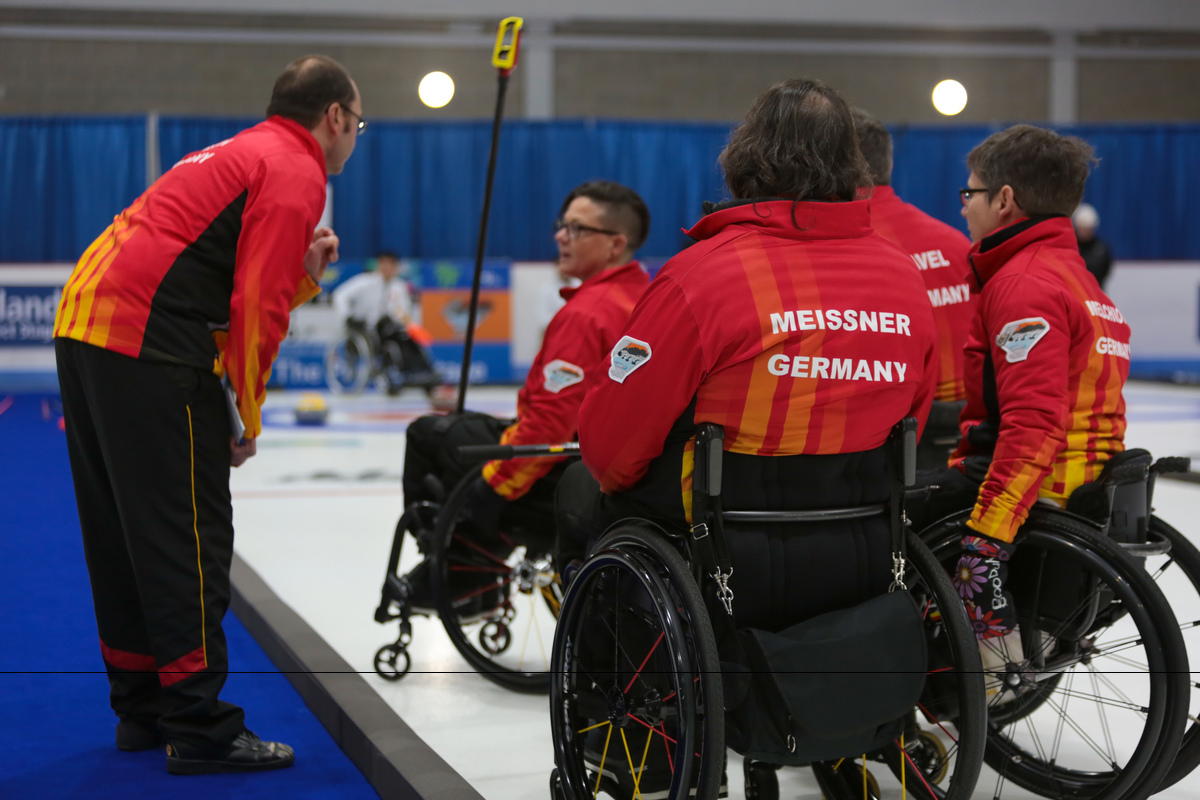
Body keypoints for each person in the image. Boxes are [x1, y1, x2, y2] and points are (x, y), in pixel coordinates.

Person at [53, 55, 363, 774]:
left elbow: (223, 278)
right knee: (187, 537)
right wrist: (244, 414)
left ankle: (141, 708)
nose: (355, 135)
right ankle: (200, 726)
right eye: (359, 122)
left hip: (87, 326)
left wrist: (303, 277)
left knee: (121, 531)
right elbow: (255, 307)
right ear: (336, 117)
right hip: (150, 341)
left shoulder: (236, 151)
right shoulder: (296, 167)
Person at [556, 78, 938, 625]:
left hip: (724, 555)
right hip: (863, 540)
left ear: (743, 160)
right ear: (854, 168)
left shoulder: (701, 274)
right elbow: (912, 416)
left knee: (578, 484)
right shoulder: (903, 274)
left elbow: (611, 444)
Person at [911, 125, 1131, 642]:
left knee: (874, 516)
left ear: (1005, 200)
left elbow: (1033, 422)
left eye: (970, 193)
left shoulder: (1024, 283)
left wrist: (987, 539)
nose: (963, 208)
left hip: (1031, 489)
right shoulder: (1080, 280)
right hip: (1078, 485)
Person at [399, 181, 652, 604]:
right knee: (468, 428)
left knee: (429, 436)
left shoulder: (588, 315)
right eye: (562, 225)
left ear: (616, 245)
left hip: (570, 471)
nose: (561, 236)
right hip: (618, 468)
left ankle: (460, 570)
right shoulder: (645, 294)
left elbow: (550, 425)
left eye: (577, 228)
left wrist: (492, 486)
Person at [853, 108, 975, 469]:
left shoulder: (843, 251)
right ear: (889, 163)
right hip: (971, 433)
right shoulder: (956, 244)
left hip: (892, 437)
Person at [332, 250, 438, 396]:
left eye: (391, 265)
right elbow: (340, 295)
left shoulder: (399, 287)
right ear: (379, 265)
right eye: (384, 264)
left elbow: (403, 311)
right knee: (388, 329)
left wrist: (407, 324)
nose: (387, 268)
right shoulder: (364, 282)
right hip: (365, 326)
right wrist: (347, 316)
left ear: (396, 267)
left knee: (406, 337)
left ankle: (422, 372)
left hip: (389, 327)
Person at [1073, 202, 1114, 289]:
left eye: (1088, 229)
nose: (1085, 232)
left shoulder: (1101, 250)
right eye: (1082, 228)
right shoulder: (1070, 248)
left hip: (1095, 290)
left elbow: (1105, 271)